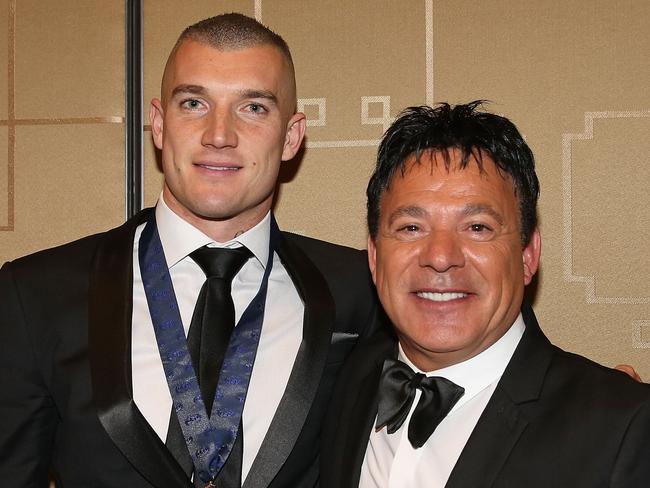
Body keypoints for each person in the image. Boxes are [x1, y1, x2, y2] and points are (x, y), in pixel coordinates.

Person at [0, 13, 380, 488]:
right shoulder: (34, 296)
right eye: (195, 103)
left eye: (254, 108)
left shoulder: (362, 292)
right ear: (159, 125)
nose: (219, 134)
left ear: (291, 136)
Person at [320, 101, 650, 487]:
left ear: (528, 254)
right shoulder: (338, 379)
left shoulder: (621, 427)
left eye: (477, 227)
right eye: (411, 228)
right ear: (375, 256)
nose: (441, 257)